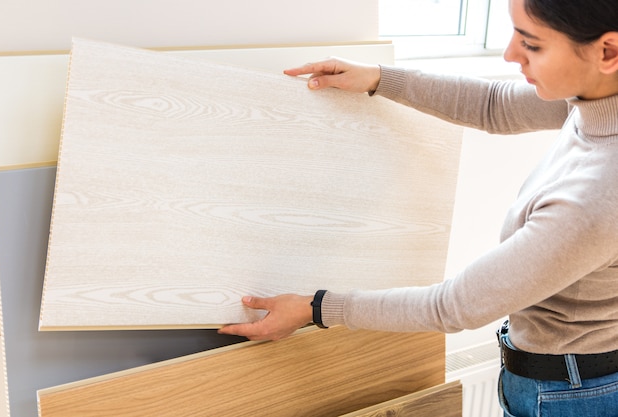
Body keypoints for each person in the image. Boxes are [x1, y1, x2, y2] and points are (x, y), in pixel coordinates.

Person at [219, 0, 618, 415]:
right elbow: (494, 105)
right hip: (566, 378)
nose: (509, 54)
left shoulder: (597, 198)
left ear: (607, 52)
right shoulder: (594, 98)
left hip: (574, 395)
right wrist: (379, 78)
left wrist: (316, 307)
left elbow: (453, 306)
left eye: (531, 44)